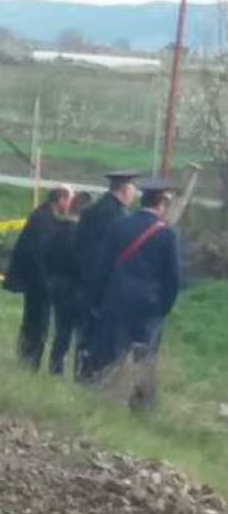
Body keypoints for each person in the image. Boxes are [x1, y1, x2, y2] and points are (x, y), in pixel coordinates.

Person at [91, 178, 182, 405]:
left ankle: (106, 396)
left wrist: (100, 297)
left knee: (112, 352)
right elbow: (173, 277)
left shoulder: (120, 224)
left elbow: (103, 265)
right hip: (149, 305)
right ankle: (140, 403)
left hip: (117, 298)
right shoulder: (167, 234)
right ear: (161, 203)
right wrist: (164, 306)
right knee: (145, 356)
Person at [74, 170, 141, 378]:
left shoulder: (90, 210)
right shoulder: (121, 217)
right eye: (133, 189)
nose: (135, 194)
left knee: (84, 334)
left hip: (84, 280)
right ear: (124, 189)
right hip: (106, 284)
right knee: (103, 336)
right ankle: (96, 376)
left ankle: (81, 373)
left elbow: (79, 245)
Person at [2, 185, 72, 368]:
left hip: (36, 281)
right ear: (61, 199)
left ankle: (28, 359)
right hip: (38, 283)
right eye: (69, 200)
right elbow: (38, 253)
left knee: (34, 322)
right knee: (37, 324)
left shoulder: (43, 215)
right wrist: (46, 282)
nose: (70, 205)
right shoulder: (44, 219)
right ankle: (30, 361)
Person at [40, 190, 89, 375]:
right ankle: (78, 371)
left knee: (61, 331)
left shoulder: (56, 229)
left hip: (56, 285)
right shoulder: (79, 235)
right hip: (75, 288)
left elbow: (45, 255)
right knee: (79, 334)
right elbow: (82, 263)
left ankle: (55, 366)